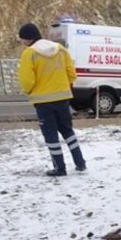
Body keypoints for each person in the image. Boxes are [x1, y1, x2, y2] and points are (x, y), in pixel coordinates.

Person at [17, 23, 87, 177]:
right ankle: (80, 162)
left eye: (22, 39)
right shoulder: (60, 49)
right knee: (68, 131)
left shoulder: (29, 54)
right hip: (63, 98)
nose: (22, 42)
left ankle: (59, 168)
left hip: (43, 102)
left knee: (51, 136)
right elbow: (72, 73)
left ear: (28, 39)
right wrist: (63, 86)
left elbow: (27, 80)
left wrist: (30, 91)